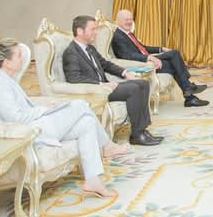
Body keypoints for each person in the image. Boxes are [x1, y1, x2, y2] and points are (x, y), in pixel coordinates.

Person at [0, 37, 129, 198]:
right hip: (28, 133)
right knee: (80, 105)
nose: (22, 58)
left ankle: (93, 180)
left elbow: (22, 109)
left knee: (87, 122)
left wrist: (45, 109)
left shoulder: (6, 80)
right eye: (18, 55)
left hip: (38, 125)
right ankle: (107, 146)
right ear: (6, 62)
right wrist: (43, 109)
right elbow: (16, 118)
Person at [62, 15, 162, 146]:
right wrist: (102, 84)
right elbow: (74, 78)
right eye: (93, 29)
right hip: (96, 92)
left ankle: (142, 129)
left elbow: (106, 64)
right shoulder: (71, 52)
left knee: (143, 83)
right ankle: (137, 134)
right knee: (134, 88)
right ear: (80, 31)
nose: (96, 33)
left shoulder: (89, 48)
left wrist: (125, 73)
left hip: (105, 87)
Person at [111, 9, 208, 107]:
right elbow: (128, 55)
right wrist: (149, 58)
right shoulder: (118, 36)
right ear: (118, 21)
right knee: (174, 54)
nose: (129, 22)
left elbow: (143, 48)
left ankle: (189, 96)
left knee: (173, 61)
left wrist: (161, 49)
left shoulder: (128, 33)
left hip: (145, 59)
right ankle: (189, 90)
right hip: (141, 64)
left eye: (131, 19)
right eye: (126, 20)